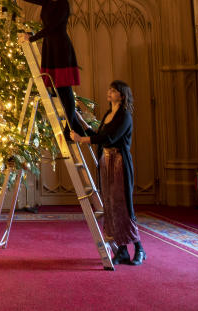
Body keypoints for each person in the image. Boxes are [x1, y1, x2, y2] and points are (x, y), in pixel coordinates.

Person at [70, 80, 145, 266]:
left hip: (120, 163)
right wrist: (83, 125)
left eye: (113, 90)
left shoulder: (125, 116)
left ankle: (139, 249)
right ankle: (121, 251)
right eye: (109, 89)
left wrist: (83, 139)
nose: (109, 92)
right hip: (106, 162)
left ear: (122, 95)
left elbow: (109, 137)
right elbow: (100, 134)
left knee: (123, 206)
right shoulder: (108, 114)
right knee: (110, 205)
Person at [8, 0, 88, 136]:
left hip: (60, 49)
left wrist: (32, 38)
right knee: (55, 89)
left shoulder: (63, 4)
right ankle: (77, 129)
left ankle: (71, 128)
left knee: (64, 90)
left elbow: (51, 27)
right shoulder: (46, 0)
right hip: (50, 47)